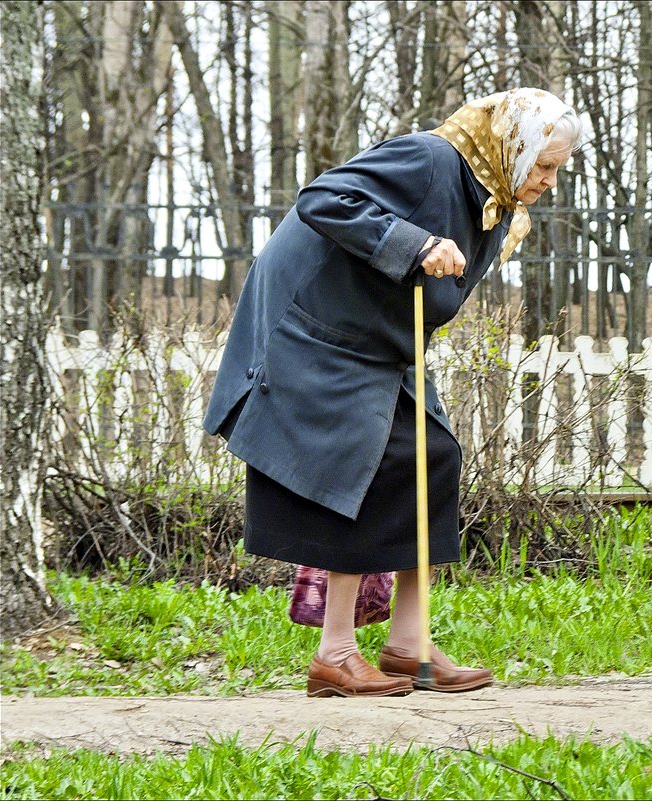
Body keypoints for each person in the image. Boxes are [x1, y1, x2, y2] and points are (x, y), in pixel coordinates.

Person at [203, 88, 582, 697]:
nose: (548, 180)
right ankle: (335, 653)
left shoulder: (496, 203)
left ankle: (408, 645)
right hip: (314, 327)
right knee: (369, 464)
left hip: (377, 340)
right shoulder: (432, 160)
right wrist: (417, 243)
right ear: (511, 147)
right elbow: (322, 198)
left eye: (556, 169)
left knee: (431, 453)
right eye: (543, 165)